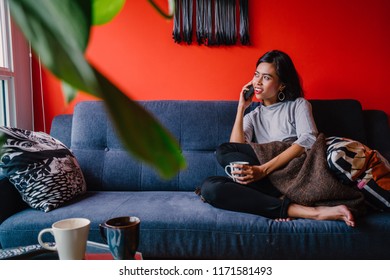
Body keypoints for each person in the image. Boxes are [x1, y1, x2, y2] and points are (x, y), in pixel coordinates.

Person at [199, 50, 355, 227]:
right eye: (256, 75)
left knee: (224, 151)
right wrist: (241, 108)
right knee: (210, 187)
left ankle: (281, 201)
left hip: (293, 175)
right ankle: (299, 209)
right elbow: (235, 149)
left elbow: (309, 140)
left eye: (266, 77)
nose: (257, 82)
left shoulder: (298, 105)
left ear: (281, 85)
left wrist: (263, 170)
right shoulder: (253, 116)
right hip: (267, 181)